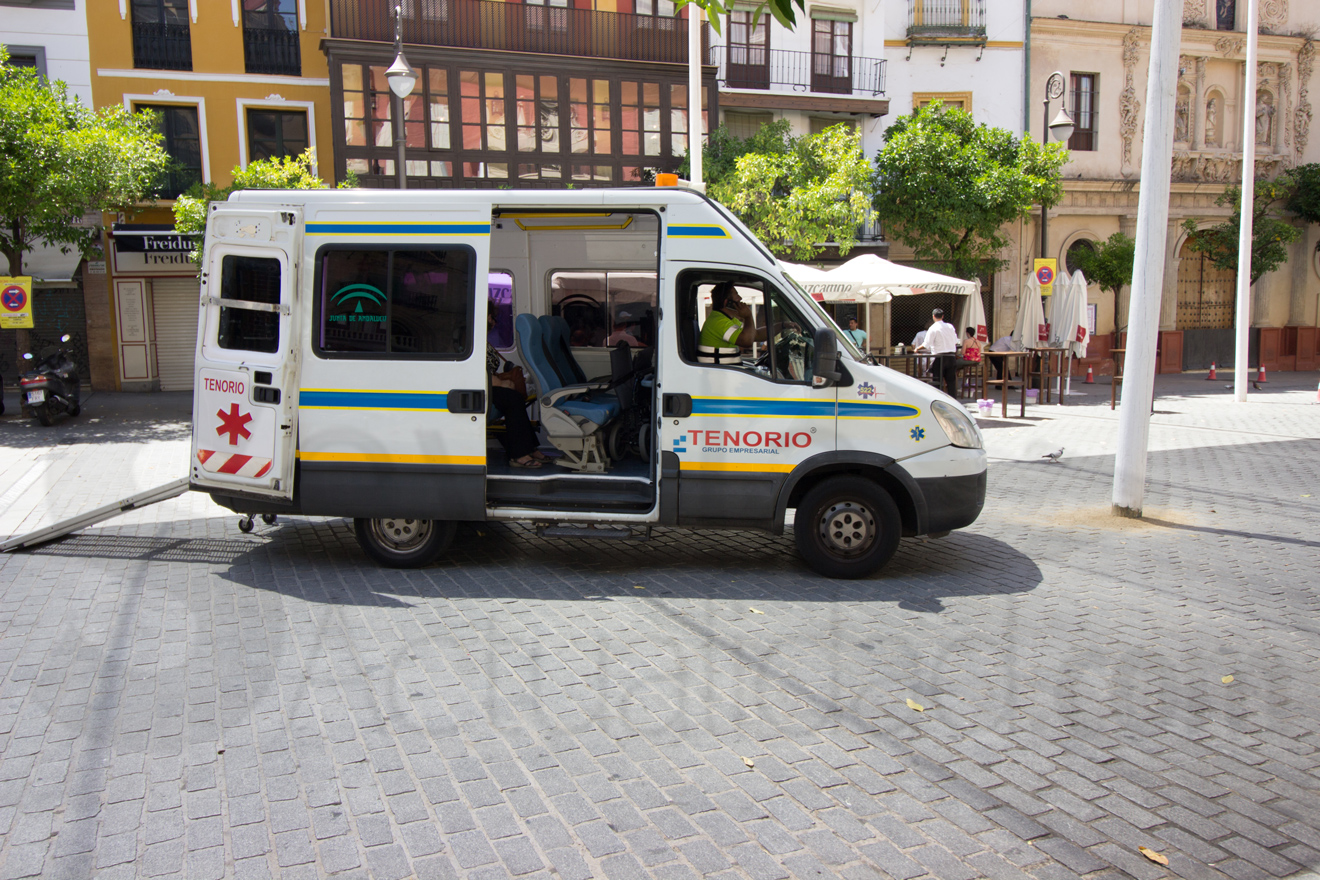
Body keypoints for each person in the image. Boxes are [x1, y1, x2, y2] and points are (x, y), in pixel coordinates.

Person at [486, 305, 549, 469]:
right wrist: (501, 383)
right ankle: (519, 454)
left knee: (516, 397)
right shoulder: (468, 340)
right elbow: (476, 370)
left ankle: (529, 448)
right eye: (492, 317)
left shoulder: (482, 339)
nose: (493, 321)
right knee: (512, 399)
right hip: (480, 386)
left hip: (488, 383)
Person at [915, 308, 960, 397]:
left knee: (937, 381)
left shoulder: (933, 328)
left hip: (939, 358)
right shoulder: (950, 326)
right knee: (951, 382)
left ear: (933, 316)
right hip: (951, 357)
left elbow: (926, 344)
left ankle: (938, 399)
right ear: (943, 316)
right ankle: (954, 400)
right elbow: (955, 341)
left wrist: (917, 349)